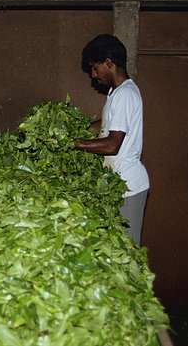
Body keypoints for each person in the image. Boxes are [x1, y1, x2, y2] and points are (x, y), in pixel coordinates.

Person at [73, 34, 149, 245]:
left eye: (95, 68)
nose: (93, 74)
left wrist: (71, 143)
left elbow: (112, 144)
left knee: (127, 250)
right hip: (117, 184)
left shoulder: (125, 94)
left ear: (109, 63)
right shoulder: (115, 93)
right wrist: (78, 130)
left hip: (129, 186)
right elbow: (106, 125)